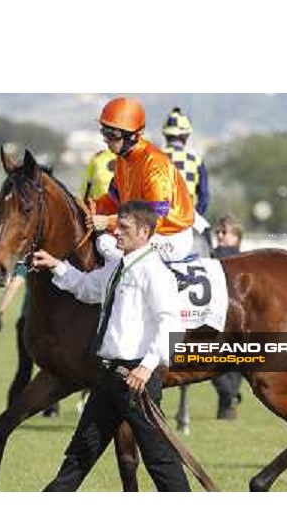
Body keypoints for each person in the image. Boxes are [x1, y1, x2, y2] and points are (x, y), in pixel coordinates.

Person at [33, 200, 191, 492]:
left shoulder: (154, 272)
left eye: (125, 228)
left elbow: (171, 323)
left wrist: (146, 367)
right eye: (118, 226)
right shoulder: (118, 266)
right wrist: (56, 266)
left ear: (144, 232)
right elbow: (87, 287)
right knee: (80, 453)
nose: (116, 232)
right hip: (108, 378)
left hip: (136, 382)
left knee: (161, 462)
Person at [91, 97, 195, 263]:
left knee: (107, 244)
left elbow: (156, 215)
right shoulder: (122, 160)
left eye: (113, 134)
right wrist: (89, 208)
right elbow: (113, 199)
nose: (106, 139)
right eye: (104, 131)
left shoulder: (155, 165)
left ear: (134, 136)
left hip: (170, 238)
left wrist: (110, 222)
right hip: (142, 230)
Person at [0, 262, 59, 417]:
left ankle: (12, 407)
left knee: (24, 368)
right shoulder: (56, 258)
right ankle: (51, 408)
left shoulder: (28, 261)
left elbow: (14, 285)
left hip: (28, 322)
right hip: (51, 325)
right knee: (52, 368)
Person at [161, 107, 212, 248]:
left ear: (165, 135)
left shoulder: (152, 157)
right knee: (208, 247)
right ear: (186, 136)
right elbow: (204, 197)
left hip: (157, 218)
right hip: (186, 218)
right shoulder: (196, 160)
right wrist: (195, 215)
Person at [212, 214, 244, 419]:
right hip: (215, 314)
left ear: (237, 237)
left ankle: (228, 400)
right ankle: (229, 396)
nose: (221, 236)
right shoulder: (211, 255)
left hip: (236, 316)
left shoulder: (244, 260)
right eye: (218, 232)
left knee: (234, 362)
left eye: (225, 232)